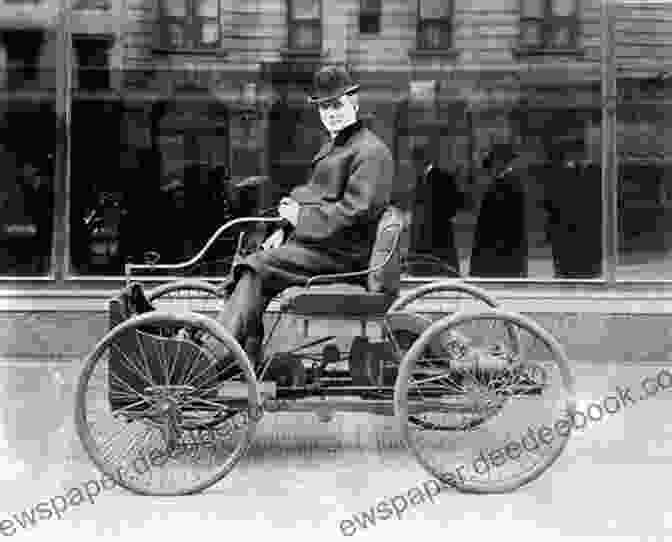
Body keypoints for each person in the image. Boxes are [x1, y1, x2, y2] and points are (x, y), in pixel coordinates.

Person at [128, 65, 395, 364]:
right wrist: (284, 224)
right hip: (324, 245)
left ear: (354, 103)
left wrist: (299, 220)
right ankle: (232, 350)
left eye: (337, 105)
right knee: (253, 255)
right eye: (324, 107)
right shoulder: (339, 146)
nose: (331, 113)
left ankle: (213, 352)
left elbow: (356, 211)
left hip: (345, 255)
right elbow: (313, 194)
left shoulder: (370, 152)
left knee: (258, 265)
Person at [470, 143, 528, 278]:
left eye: (492, 163)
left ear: (501, 162)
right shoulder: (502, 183)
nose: (490, 169)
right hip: (498, 253)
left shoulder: (510, 184)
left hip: (500, 254)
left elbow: (511, 226)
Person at [410, 146, 463, 276]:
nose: (413, 165)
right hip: (425, 236)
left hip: (440, 235)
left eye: (415, 160)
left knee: (442, 270)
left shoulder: (443, 177)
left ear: (422, 160)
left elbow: (455, 203)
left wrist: (440, 219)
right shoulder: (421, 179)